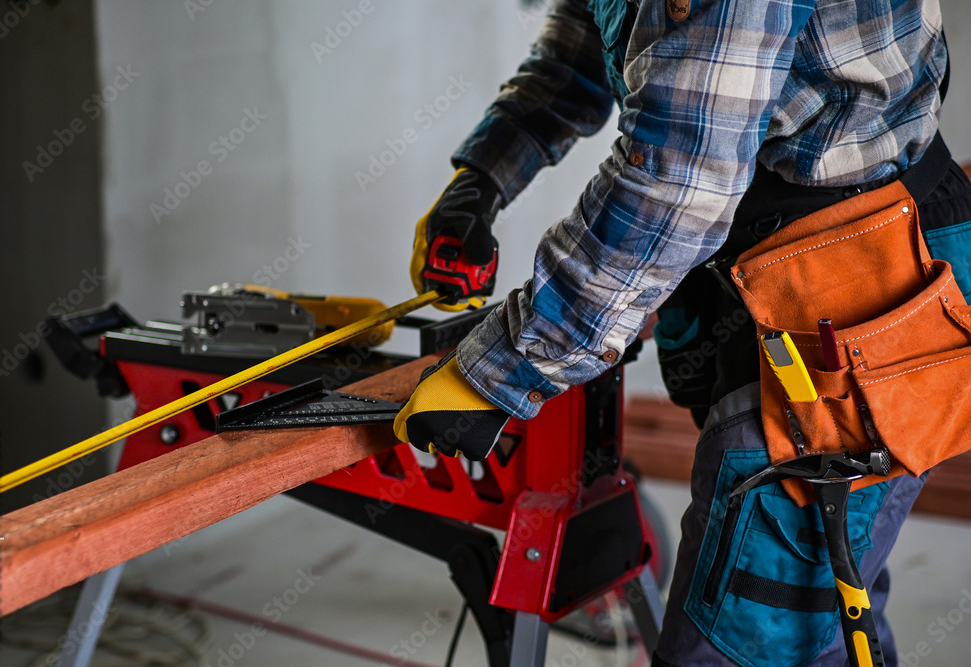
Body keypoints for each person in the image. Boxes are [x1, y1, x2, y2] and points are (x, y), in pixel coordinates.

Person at [394, 1, 971, 664]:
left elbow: (682, 180)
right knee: (826, 615)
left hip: (855, 290)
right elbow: (588, 39)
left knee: (751, 644)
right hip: (798, 270)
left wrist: (497, 372)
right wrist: (483, 176)